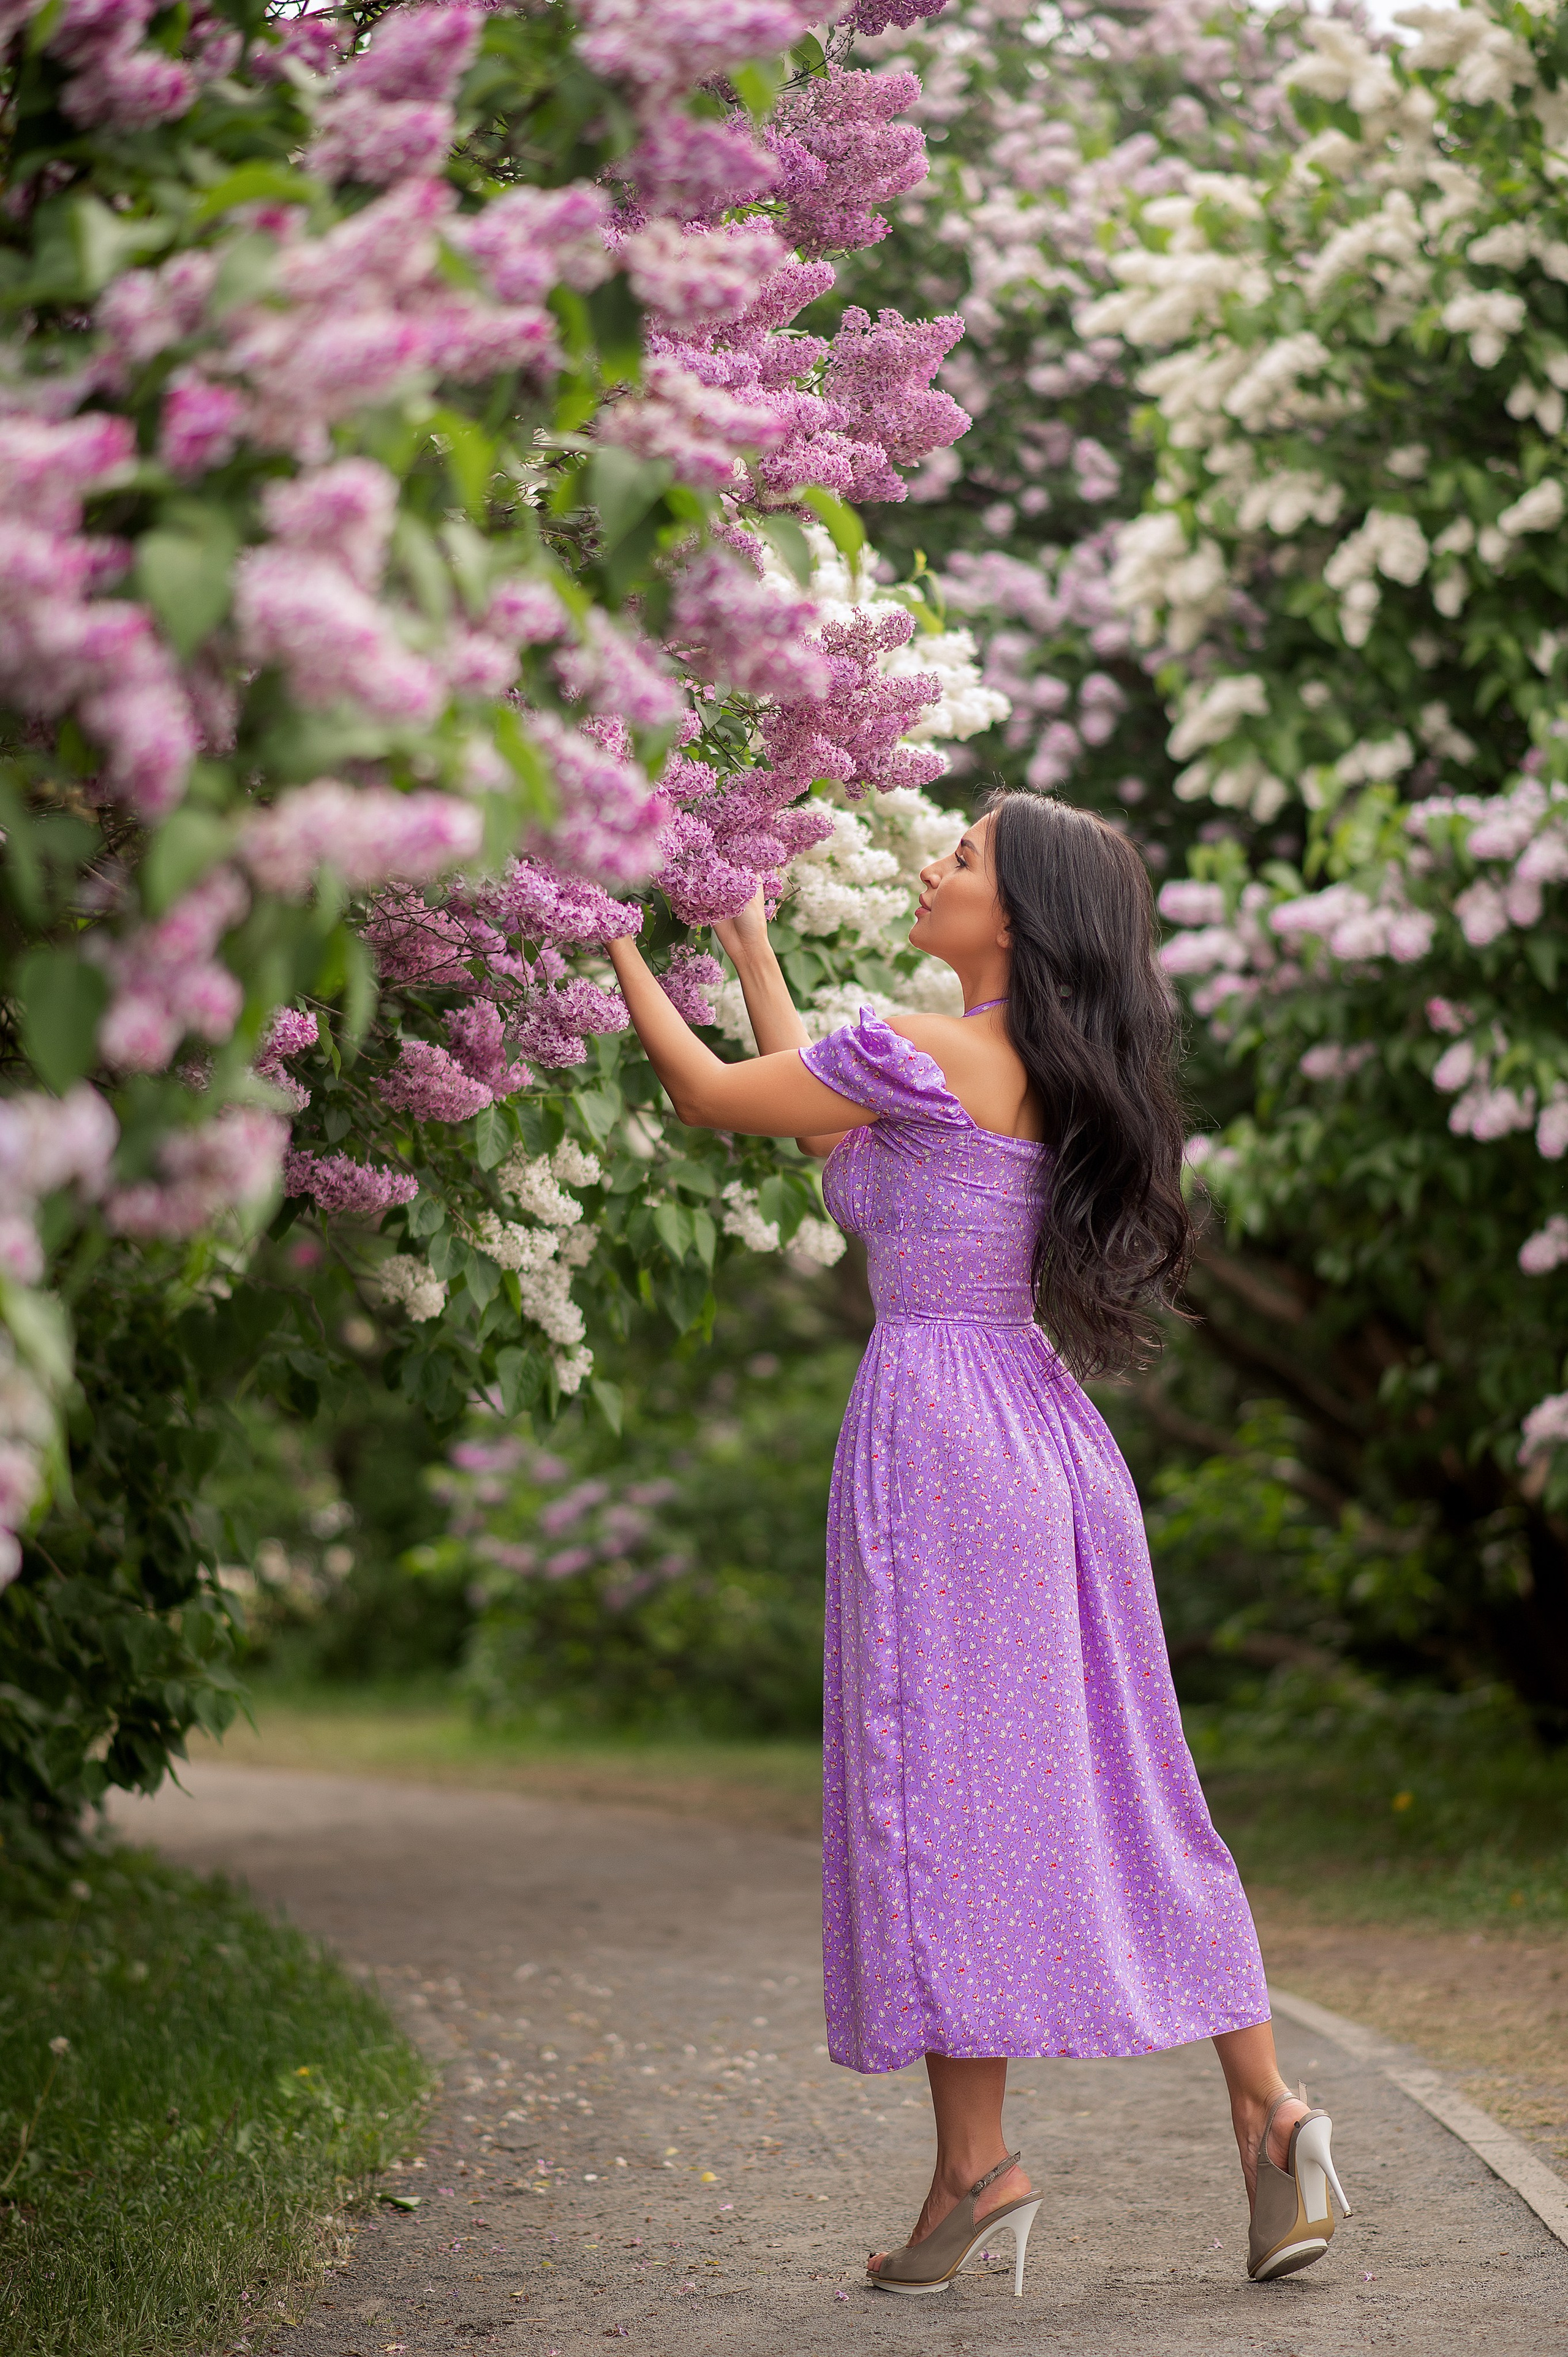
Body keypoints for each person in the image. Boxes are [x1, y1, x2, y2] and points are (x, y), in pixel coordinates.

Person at [606, 789, 1351, 2297]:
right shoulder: (1015, 1067)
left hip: (937, 1441)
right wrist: (748, 936)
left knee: (935, 1795)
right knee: (1132, 1780)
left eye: (959, 859)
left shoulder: (920, 1049)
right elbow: (815, 1108)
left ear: (1009, 919)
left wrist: (604, 938)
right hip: (1047, 1436)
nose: (929, 866)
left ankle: (980, 2162)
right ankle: (1259, 2118)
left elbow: (710, 1096)